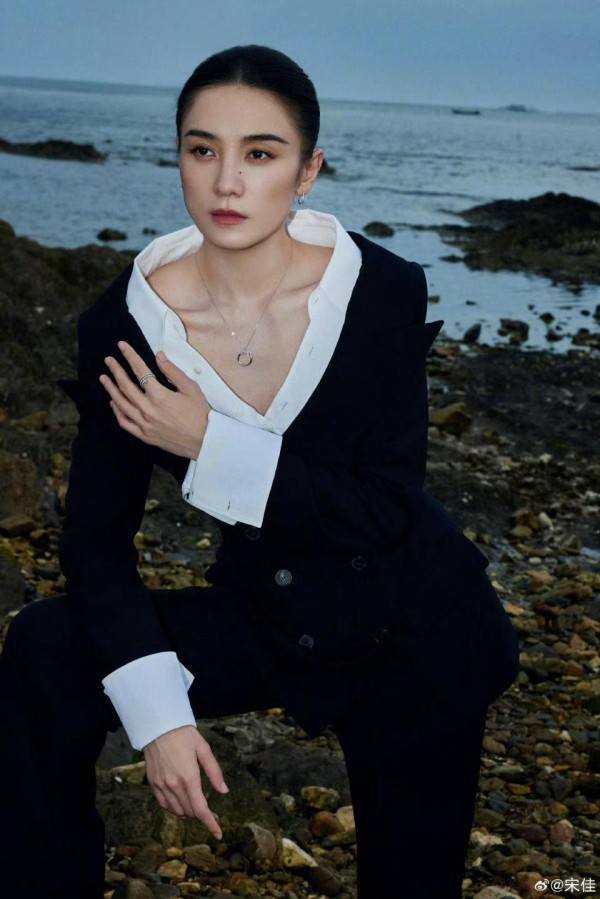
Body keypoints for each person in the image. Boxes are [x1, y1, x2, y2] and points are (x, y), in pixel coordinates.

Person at [0, 45, 520, 898]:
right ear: (178, 157)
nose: (227, 182)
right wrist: (159, 715)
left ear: (307, 171)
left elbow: (383, 510)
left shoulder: (379, 292)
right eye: (202, 149)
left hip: (413, 627)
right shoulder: (127, 328)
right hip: (265, 609)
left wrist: (209, 441)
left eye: (261, 153)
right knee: (45, 648)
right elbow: (95, 545)